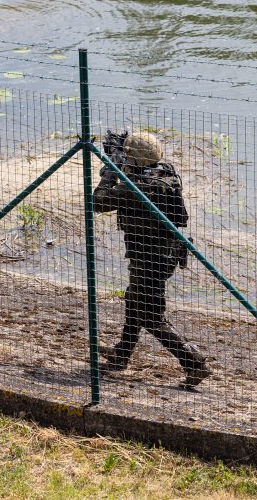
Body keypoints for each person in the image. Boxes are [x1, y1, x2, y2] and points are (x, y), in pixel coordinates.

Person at [94, 131, 211, 389]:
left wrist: (110, 172)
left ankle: (193, 362)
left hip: (150, 257)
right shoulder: (165, 173)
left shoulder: (138, 188)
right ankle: (121, 354)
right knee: (134, 298)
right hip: (166, 252)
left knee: (151, 315)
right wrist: (120, 163)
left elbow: (99, 202)